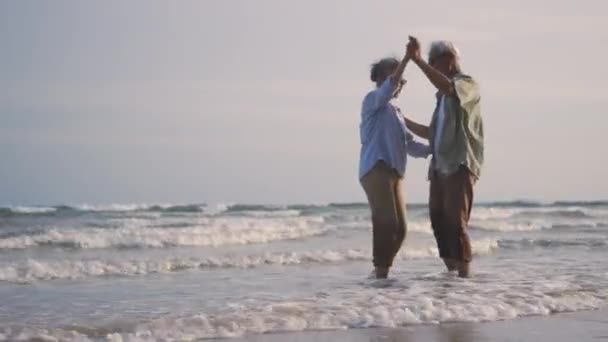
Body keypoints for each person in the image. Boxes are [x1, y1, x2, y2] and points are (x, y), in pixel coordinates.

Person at [403, 37, 484, 278]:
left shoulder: (466, 84)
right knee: (439, 222)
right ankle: (452, 280)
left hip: (459, 163)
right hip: (439, 167)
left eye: (432, 62)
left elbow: (449, 88)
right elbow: (431, 133)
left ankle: (464, 277)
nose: (430, 66)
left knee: (456, 223)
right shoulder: (441, 99)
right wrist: (399, 119)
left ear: (448, 60)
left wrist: (416, 61)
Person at [359, 45, 431, 279]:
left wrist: (434, 150)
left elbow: (410, 144)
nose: (400, 83)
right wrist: (408, 60)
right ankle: (379, 272)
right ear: (381, 78)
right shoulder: (373, 100)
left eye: (402, 79)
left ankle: (381, 272)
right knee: (386, 222)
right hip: (376, 168)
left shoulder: (397, 112)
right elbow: (387, 91)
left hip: (396, 172)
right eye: (395, 77)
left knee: (401, 230)